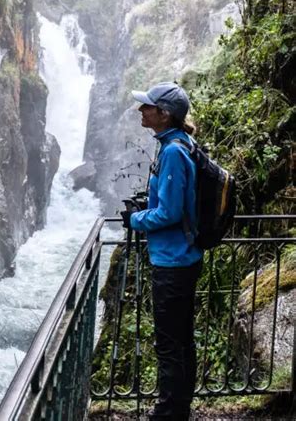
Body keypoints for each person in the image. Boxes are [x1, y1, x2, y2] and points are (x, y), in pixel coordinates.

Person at [122, 82, 203, 420]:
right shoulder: (180, 144)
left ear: (164, 114)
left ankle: (168, 412)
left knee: (170, 343)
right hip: (184, 257)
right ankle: (179, 409)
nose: (142, 111)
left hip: (172, 262)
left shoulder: (172, 151)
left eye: (148, 107)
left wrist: (135, 219)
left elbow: (169, 213)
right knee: (182, 339)